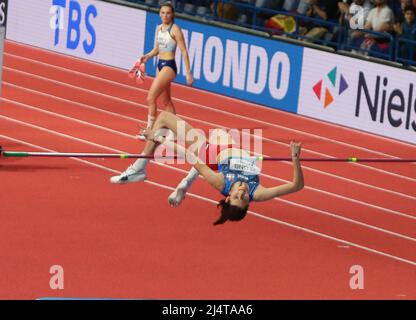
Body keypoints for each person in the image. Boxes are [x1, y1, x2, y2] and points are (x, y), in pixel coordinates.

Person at [110, 111, 304, 226]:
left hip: (211, 152)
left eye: (237, 197)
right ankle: (183, 185)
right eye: (244, 199)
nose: (243, 193)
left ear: (228, 197)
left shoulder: (221, 182)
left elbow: (190, 157)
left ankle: (140, 168)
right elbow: (296, 186)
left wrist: (158, 138)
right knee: (218, 133)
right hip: (223, 147)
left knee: (164, 118)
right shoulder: (258, 193)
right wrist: (295, 158)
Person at [137, 2, 193, 139]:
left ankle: (149, 130)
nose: (165, 15)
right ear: (159, 14)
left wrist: (188, 73)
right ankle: (176, 132)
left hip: (169, 66)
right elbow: (157, 49)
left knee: (150, 98)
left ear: (172, 14)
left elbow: (184, 51)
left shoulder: (175, 29)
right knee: (166, 101)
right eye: (162, 13)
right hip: (160, 65)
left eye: (168, 13)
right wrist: (148, 56)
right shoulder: (159, 28)